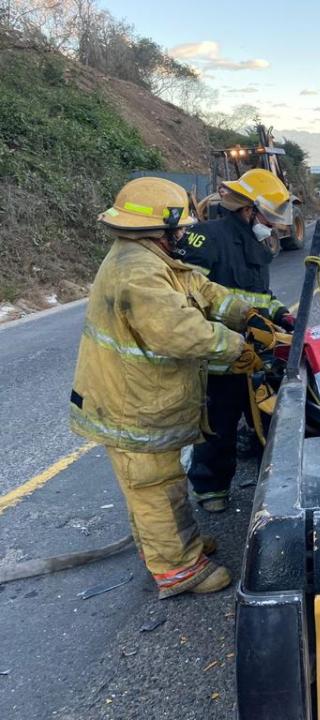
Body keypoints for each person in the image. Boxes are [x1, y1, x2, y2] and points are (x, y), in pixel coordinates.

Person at [69, 177, 255, 598]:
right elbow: (180, 332)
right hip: (129, 406)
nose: (185, 234)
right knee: (153, 488)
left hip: (137, 399)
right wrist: (237, 345)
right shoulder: (138, 272)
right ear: (162, 229)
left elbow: (201, 290)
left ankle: (171, 549)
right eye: (180, 228)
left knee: (161, 484)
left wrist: (245, 314)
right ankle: (178, 569)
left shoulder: (152, 258)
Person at [179, 168, 295, 512]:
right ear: (247, 209)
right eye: (267, 216)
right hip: (218, 355)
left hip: (254, 352)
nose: (272, 225)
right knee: (218, 425)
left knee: (266, 419)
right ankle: (211, 489)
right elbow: (193, 297)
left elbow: (259, 294)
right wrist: (241, 322)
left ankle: (273, 486)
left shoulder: (254, 242)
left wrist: (280, 313)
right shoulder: (206, 238)